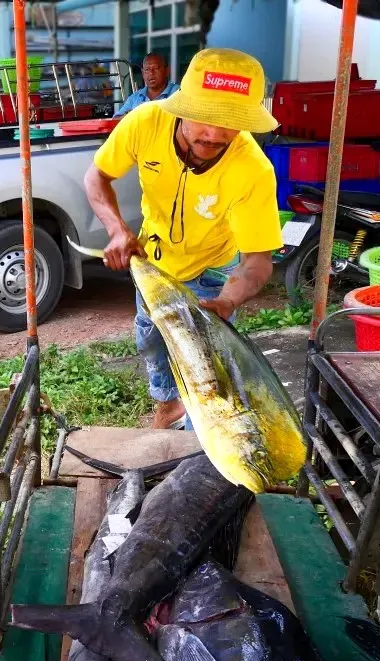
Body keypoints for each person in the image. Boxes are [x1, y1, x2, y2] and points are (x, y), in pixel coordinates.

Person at [85, 48, 282, 429]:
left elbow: (258, 260)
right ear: (181, 106)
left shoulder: (253, 169)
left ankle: (196, 440)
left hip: (213, 271)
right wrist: (117, 229)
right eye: (204, 117)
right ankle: (166, 404)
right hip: (154, 262)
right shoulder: (144, 122)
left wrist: (228, 300)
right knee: (151, 337)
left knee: (203, 364)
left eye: (231, 122)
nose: (214, 133)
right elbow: (97, 177)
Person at [114, 52, 179, 117]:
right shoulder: (135, 98)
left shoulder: (179, 93)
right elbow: (116, 119)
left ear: (167, 70)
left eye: (156, 68)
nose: (151, 73)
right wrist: (132, 116)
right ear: (142, 73)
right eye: (147, 69)